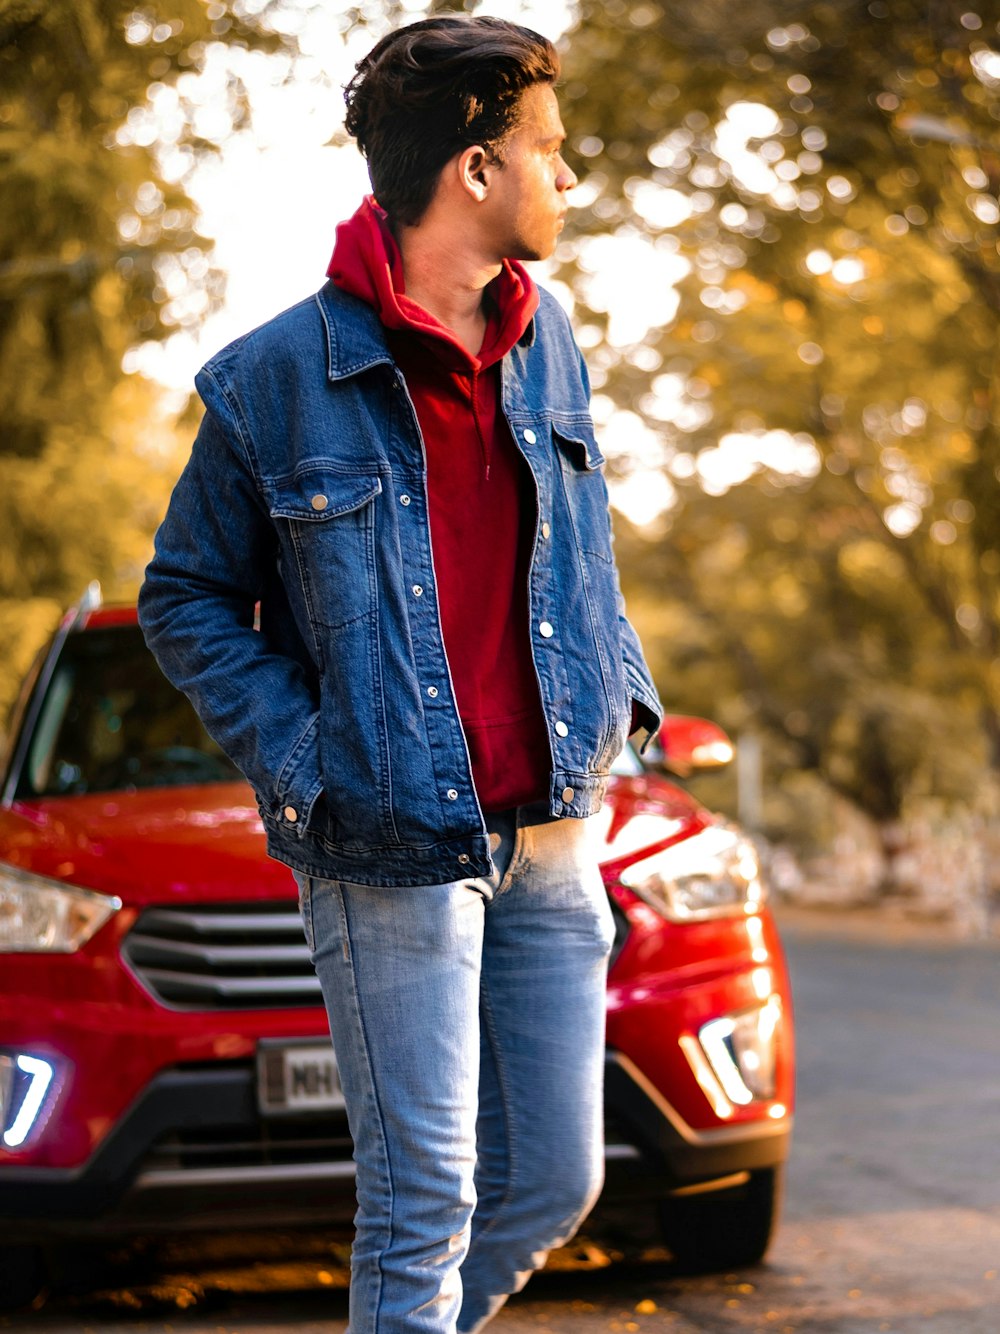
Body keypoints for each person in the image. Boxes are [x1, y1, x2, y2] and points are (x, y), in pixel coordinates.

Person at [138, 14, 662, 1333]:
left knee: (553, 1175)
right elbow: (184, 596)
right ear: (476, 172)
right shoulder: (273, 381)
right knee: (422, 1198)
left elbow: (579, 563)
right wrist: (316, 760)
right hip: (387, 844)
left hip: (548, 838)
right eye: (551, 150)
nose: (569, 178)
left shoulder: (550, 347)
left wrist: (622, 713)